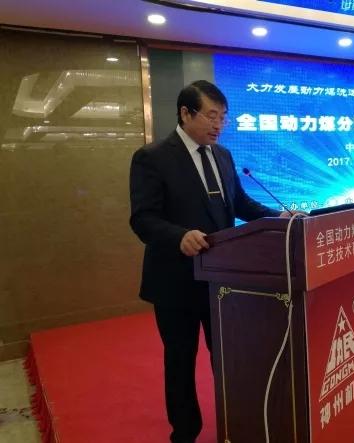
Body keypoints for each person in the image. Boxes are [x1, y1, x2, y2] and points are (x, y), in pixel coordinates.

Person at [129, 80, 286, 443]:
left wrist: (279, 216)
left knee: (228, 358)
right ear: (185, 114)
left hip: (222, 281)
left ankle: (237, 423)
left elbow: (241, 204)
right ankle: (184, 433)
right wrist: (179, 236)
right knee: (180, 361)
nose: (218, 125)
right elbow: (143, 218)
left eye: (224, 117)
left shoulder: (223, 156)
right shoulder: (153, 157)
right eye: (211, 116)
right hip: (175, 282)